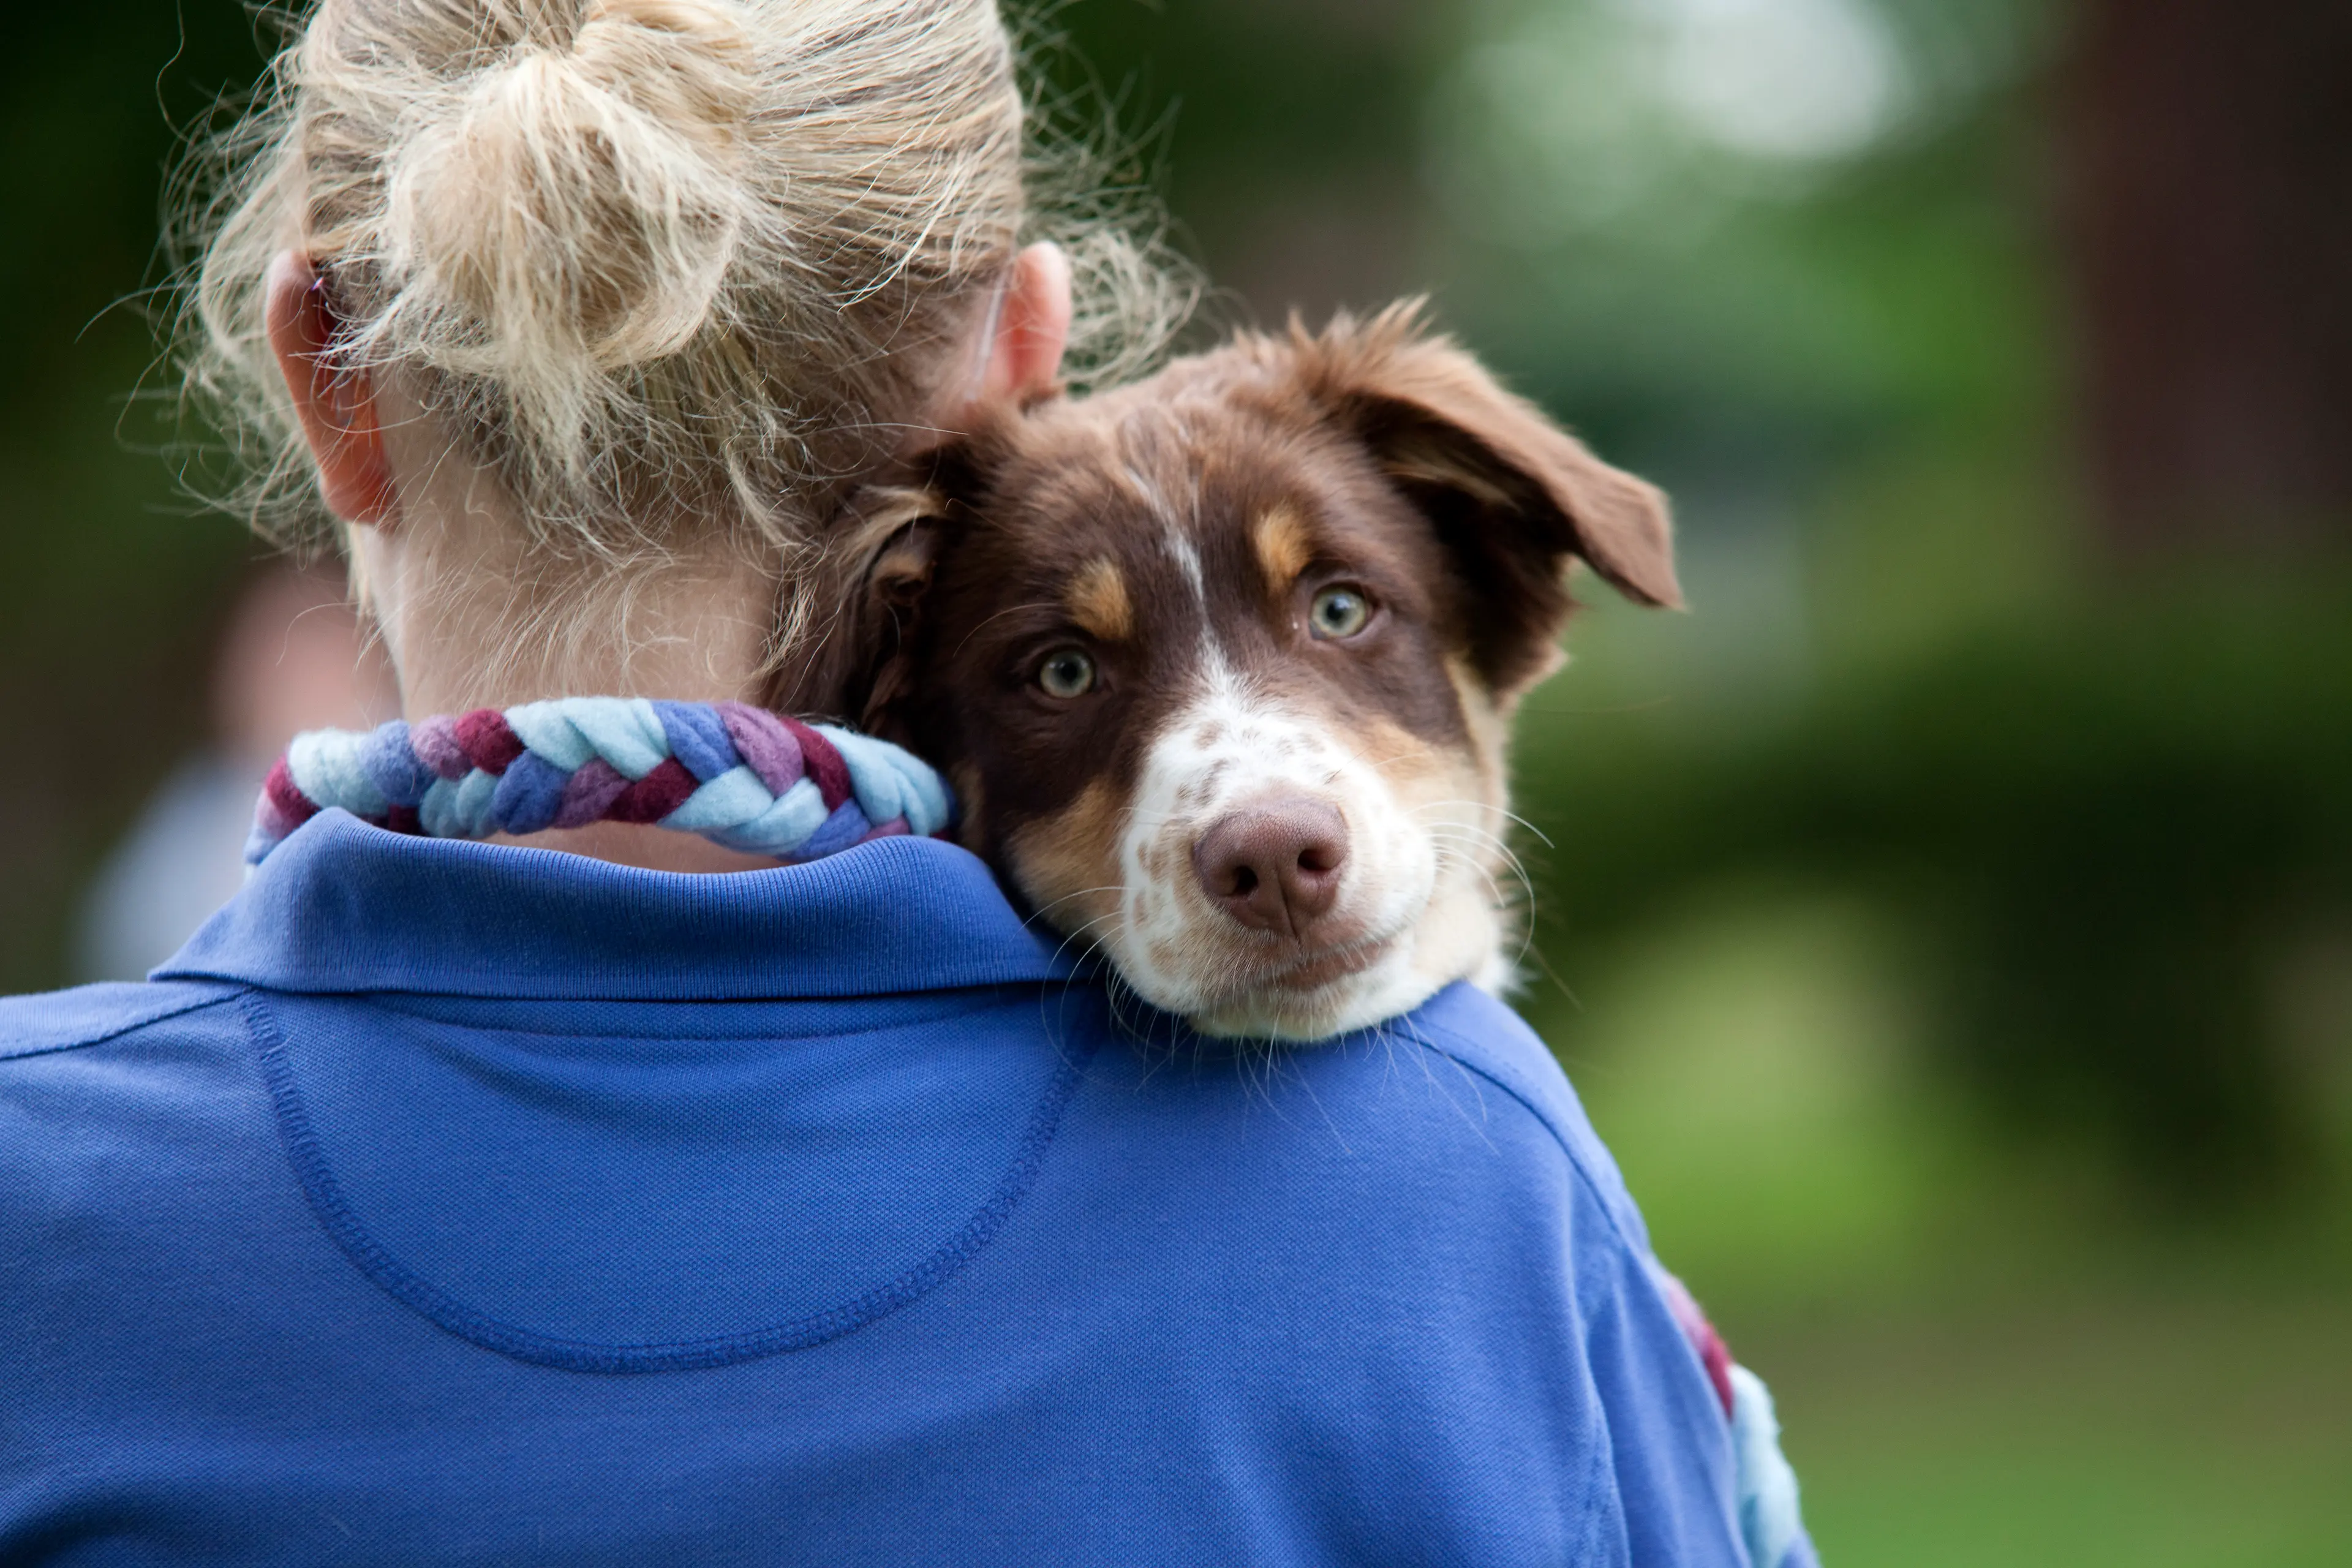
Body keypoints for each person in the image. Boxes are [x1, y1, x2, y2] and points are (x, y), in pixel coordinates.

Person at [1, 1, 1812, 1563]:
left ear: (329, 376)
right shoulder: (1445, 1166)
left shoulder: (42, 1190)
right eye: (1059, 665)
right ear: (1019, 354)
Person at [76, 565, 398, 982]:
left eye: (326, 665)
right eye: (289, 673)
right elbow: (128, 940)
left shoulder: (411, 802)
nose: (311, 691)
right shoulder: (200, 822)